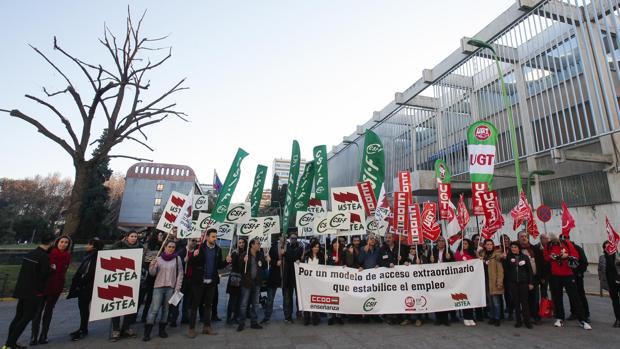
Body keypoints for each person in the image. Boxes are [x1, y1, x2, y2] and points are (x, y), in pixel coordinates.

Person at [4, 233, 54, 349]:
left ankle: (10, 343)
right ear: (51, 243)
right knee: (27, 317)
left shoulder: (31, 253)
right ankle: (9, 344)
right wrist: (52, 270)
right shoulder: (44, 257)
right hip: (34, 292)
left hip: (22, 289)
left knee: (18, 317)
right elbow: (43, 275)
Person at [30, 236, 72, 345]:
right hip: (44, 286)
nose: (63, 244)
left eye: (66, 242)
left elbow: (64, 271)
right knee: (38, 312)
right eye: (62, 242)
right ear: (57, 242)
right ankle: (34, 336)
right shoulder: (49, 253)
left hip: (57, 286)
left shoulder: (67, 256)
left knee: (49, 312)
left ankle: (44, 335)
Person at [544, 234, 591, 330]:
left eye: (554, 240)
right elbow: (546, 257)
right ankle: (559, 317)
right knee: (557, 297)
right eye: (551, 240)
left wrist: (567, 256)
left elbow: (576, 255)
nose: (553, 242)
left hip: (568, 274)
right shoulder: (548, 246)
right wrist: (551, 257)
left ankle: (582, 319)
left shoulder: (567, 244)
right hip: (555, 275)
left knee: (575, 297)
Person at [186, 228, 226, 338]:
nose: (215, 239)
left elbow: (219, 266)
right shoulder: (199, 248)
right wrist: (193, 256)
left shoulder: (218, 249)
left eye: (216, 236)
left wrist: (227, 261)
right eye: (213, 236)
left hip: (211, 282)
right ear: (207, 237)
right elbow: (190, 264)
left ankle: (207, 327)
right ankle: (191, 328)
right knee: (195, 305)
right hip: (199, 281)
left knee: (208, 305)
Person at [143, 240, 184, 341]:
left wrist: (177, 287)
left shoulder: (177, 259)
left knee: (166, 310)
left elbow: (180, 274)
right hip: (158, 287)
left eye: (173, 247)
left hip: (170, 288)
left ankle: (162, 330)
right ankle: (147, 332)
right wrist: (152, 266)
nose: (171, 249)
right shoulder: (158, 259)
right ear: (165, 247)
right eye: (169, 246)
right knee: (154, 310)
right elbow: (152, 274)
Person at [67, 237, 104, 341]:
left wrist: (80, 283)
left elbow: (90, 272)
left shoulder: (94, 256)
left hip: (87, 286)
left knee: (83, 307)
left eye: (89, 244)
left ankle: (83, 329)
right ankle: (83, 328)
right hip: (87, 285)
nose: (86, 246)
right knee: (83, 307)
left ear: (94, 246)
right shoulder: (92, 255)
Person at [110, 231, 143, 341]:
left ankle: (126, 328)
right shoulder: (118, 246)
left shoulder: (141, 247)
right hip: (119, 279)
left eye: (135, 236)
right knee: (117, 305)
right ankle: (115, 329)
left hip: (133, 280)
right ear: (127, 237)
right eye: (132, 236)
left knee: (129, 306)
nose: (134, 238)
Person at [237, 238, 268, 331]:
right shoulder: (245, 254)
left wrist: (266, 260)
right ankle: (241, 323)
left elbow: (264, 267)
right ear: (252, 245)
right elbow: (239, 268)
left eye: (259, 243)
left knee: (255, 303)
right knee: (244, 303)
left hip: (257, 282)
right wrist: (243, 261)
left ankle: (254, 322)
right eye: (258, 243)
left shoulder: (260, 254)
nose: (259, 245)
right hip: (247, 283)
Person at [518, 231, 544, 324]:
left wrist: (541, 276)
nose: (524, 238)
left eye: (525, 236)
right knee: (525, 298)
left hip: (534, 277)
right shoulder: (517, 250)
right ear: (518, 238)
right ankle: (526, 315)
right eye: (521, 236)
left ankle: (535, 315)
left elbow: (540, 263)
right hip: (523, 278)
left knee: (535, 297)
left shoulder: (535, 249)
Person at [505, 241, 533, 329]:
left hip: (523, 283)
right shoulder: (508, 257)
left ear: (519, 248)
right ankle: (518, 321)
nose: (513, 249)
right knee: (516, 303)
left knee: (525, 303)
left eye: (515, 247)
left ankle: (527, 321)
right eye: (512, 247)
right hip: (513, 283)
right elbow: (506, 271)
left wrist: (531, 283)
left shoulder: (524, 257)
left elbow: (530, 271)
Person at [401, 244, 427, 327]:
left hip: (418, 283)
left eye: (414, 248)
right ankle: (408, 318)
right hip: (408, 283)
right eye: (411, 249)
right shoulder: (406, 258)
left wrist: (421, 263)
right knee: (408, 300)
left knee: (418, 300)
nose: (412, 250)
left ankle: (419, 318)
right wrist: (402, 263)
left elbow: (427, 267)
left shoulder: (421, 257)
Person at [431, 236, 455, 326]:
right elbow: (428, 265)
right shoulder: (433, 251)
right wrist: (431, 261)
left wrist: (449, 259)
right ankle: (438, 318)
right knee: (437, 297)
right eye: (439, 241)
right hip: (436, 278)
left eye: (443, 241)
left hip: (445, 278)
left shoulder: (448, 251)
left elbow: (454, 264)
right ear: (437, 242)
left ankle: (445, 319)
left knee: (445, 297)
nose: (441, 242)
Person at [479, 239, 503, 326]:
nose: (489, 246)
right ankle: (492, 316)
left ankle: (497, 318)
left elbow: (500, 270)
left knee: (496, 301)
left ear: (493, 245)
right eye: (487, 244)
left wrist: (499, 281)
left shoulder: (496, 255)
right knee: (490, 301)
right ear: (484, 245)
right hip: (486, 280)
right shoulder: (482, 255)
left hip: (494, 280)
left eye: (490, 244)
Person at [281, 231, 304, 324]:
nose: (293, 239)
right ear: (289, 239)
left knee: (299, 297)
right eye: (292, 238)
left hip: (298, 277)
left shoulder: (300, 247)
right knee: (288, 298)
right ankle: (288, 316)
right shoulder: (286, 247)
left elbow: (293, 256)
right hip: (288, 276)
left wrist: (286, 254)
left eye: (295, 238)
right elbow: (292, 257)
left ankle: (299, 313)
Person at [302, 240, 324, 326]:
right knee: (307, 299)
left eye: (318, 247)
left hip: (317, 282)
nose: (316, 248)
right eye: (315, 246)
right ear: (312, 247)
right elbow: (302, 265)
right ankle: (306, 318)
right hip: (307, 281)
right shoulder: (307, 256)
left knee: (316, 299)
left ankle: (315, 318)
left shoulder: (321, 256)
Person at [455, 238, 477, 327]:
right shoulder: (457, 253)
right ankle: (466, 317)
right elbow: (457, 263)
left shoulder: (472, 253)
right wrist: (460, 256)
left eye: (466, 243)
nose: (464, 245)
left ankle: (471, 317)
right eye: (463, 243)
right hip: (462, 280)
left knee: (470, 299)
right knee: (464, 298)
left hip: (471, 279)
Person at [261, 235, 282, 324]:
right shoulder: (273, 247)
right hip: (273, 276)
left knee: (287, 298)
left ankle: (288, 317)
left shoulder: (288, 247)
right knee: (270, 298)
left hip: (284, 276)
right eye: (282, 236)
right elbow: (268, 261)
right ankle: (267, 316)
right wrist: (273, 261)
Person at [225, 237, 246, 325]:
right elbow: (234, 265)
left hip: (242, 278)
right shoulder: (234, 252)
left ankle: (236, 316)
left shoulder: (246, 253)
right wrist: (234, 256)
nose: (241, 244)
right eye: (239, 242)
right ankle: (229, 317)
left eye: (242, 242)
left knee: (239, 299)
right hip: (234, 278)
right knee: (232, 299)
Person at [568, 240, 590, 322]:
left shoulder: (578, 249)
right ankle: (574, 312)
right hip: (569, 276)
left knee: (580, 294)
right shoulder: (565, 249)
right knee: (571, 294)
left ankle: (585, 314)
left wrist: (580, 273)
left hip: (577, 276)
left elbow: (584, 262)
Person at [602, 241, 620, 327]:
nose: (608, 248)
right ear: (604, 249)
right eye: (606, 247)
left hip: (618, 281)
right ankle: (618, 319)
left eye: (609, 247)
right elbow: (600, 270)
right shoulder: (602, 258)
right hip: (610, 283)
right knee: (615, 302)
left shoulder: (617, 256)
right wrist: (602, 280)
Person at [327, 238, 344, 325]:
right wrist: (333, 261)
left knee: (339, 297)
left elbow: (345, 263)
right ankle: (330, 316)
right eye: (334, 243)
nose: (336, 245)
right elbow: (327, 265)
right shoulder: (328, 253)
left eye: (337, 244)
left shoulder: (342, 252)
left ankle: (338, 316)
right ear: (332, 244)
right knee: (331, 296)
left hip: (340, 278)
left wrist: (342, 264)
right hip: (331, 278)